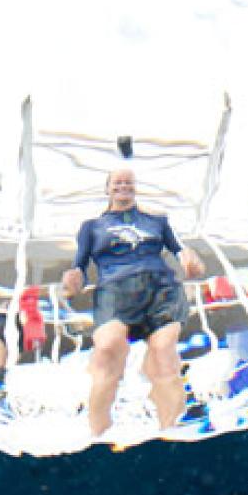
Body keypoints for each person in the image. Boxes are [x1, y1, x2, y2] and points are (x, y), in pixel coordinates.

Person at [62, 168, 206, 437]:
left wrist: (191, 260)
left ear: (135, 187)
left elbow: (180, 250)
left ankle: (170, 431)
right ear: (108, 189)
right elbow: (78, 266)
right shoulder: (91, 227)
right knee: (107, 350)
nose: (123, 185)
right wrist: (73, 280)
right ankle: (98, 432)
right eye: (117, 182)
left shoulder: (158, 222)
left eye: (128, 182)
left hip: (160, 289)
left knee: (164, 355)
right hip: (115, 290)